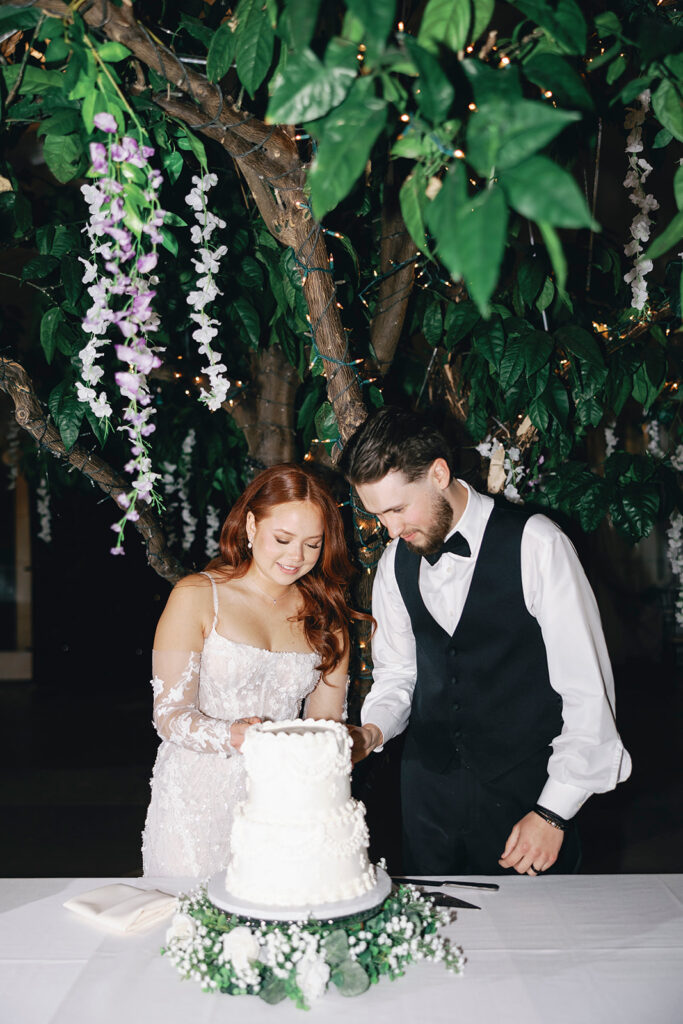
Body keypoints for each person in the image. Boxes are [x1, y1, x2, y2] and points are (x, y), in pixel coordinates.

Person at [341, 407, 631, 877]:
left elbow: (587, 693)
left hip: (526, 802)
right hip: (426, 801)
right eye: (379, 516)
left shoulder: (537, 544)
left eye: (397, 509)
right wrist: (371, 732)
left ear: (438, 473)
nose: (391, 531)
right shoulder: (396, 562)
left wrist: (554, 811)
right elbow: (398, 674)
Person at [142, 464, 361, 877]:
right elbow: (168, 714)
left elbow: (327, 722)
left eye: (313, 544)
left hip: (282, 804)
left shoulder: (328, 619)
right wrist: (234, 734)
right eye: (283, 539)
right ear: (250, 524)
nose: (296, 557)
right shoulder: (197, 596)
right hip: (195, 802)